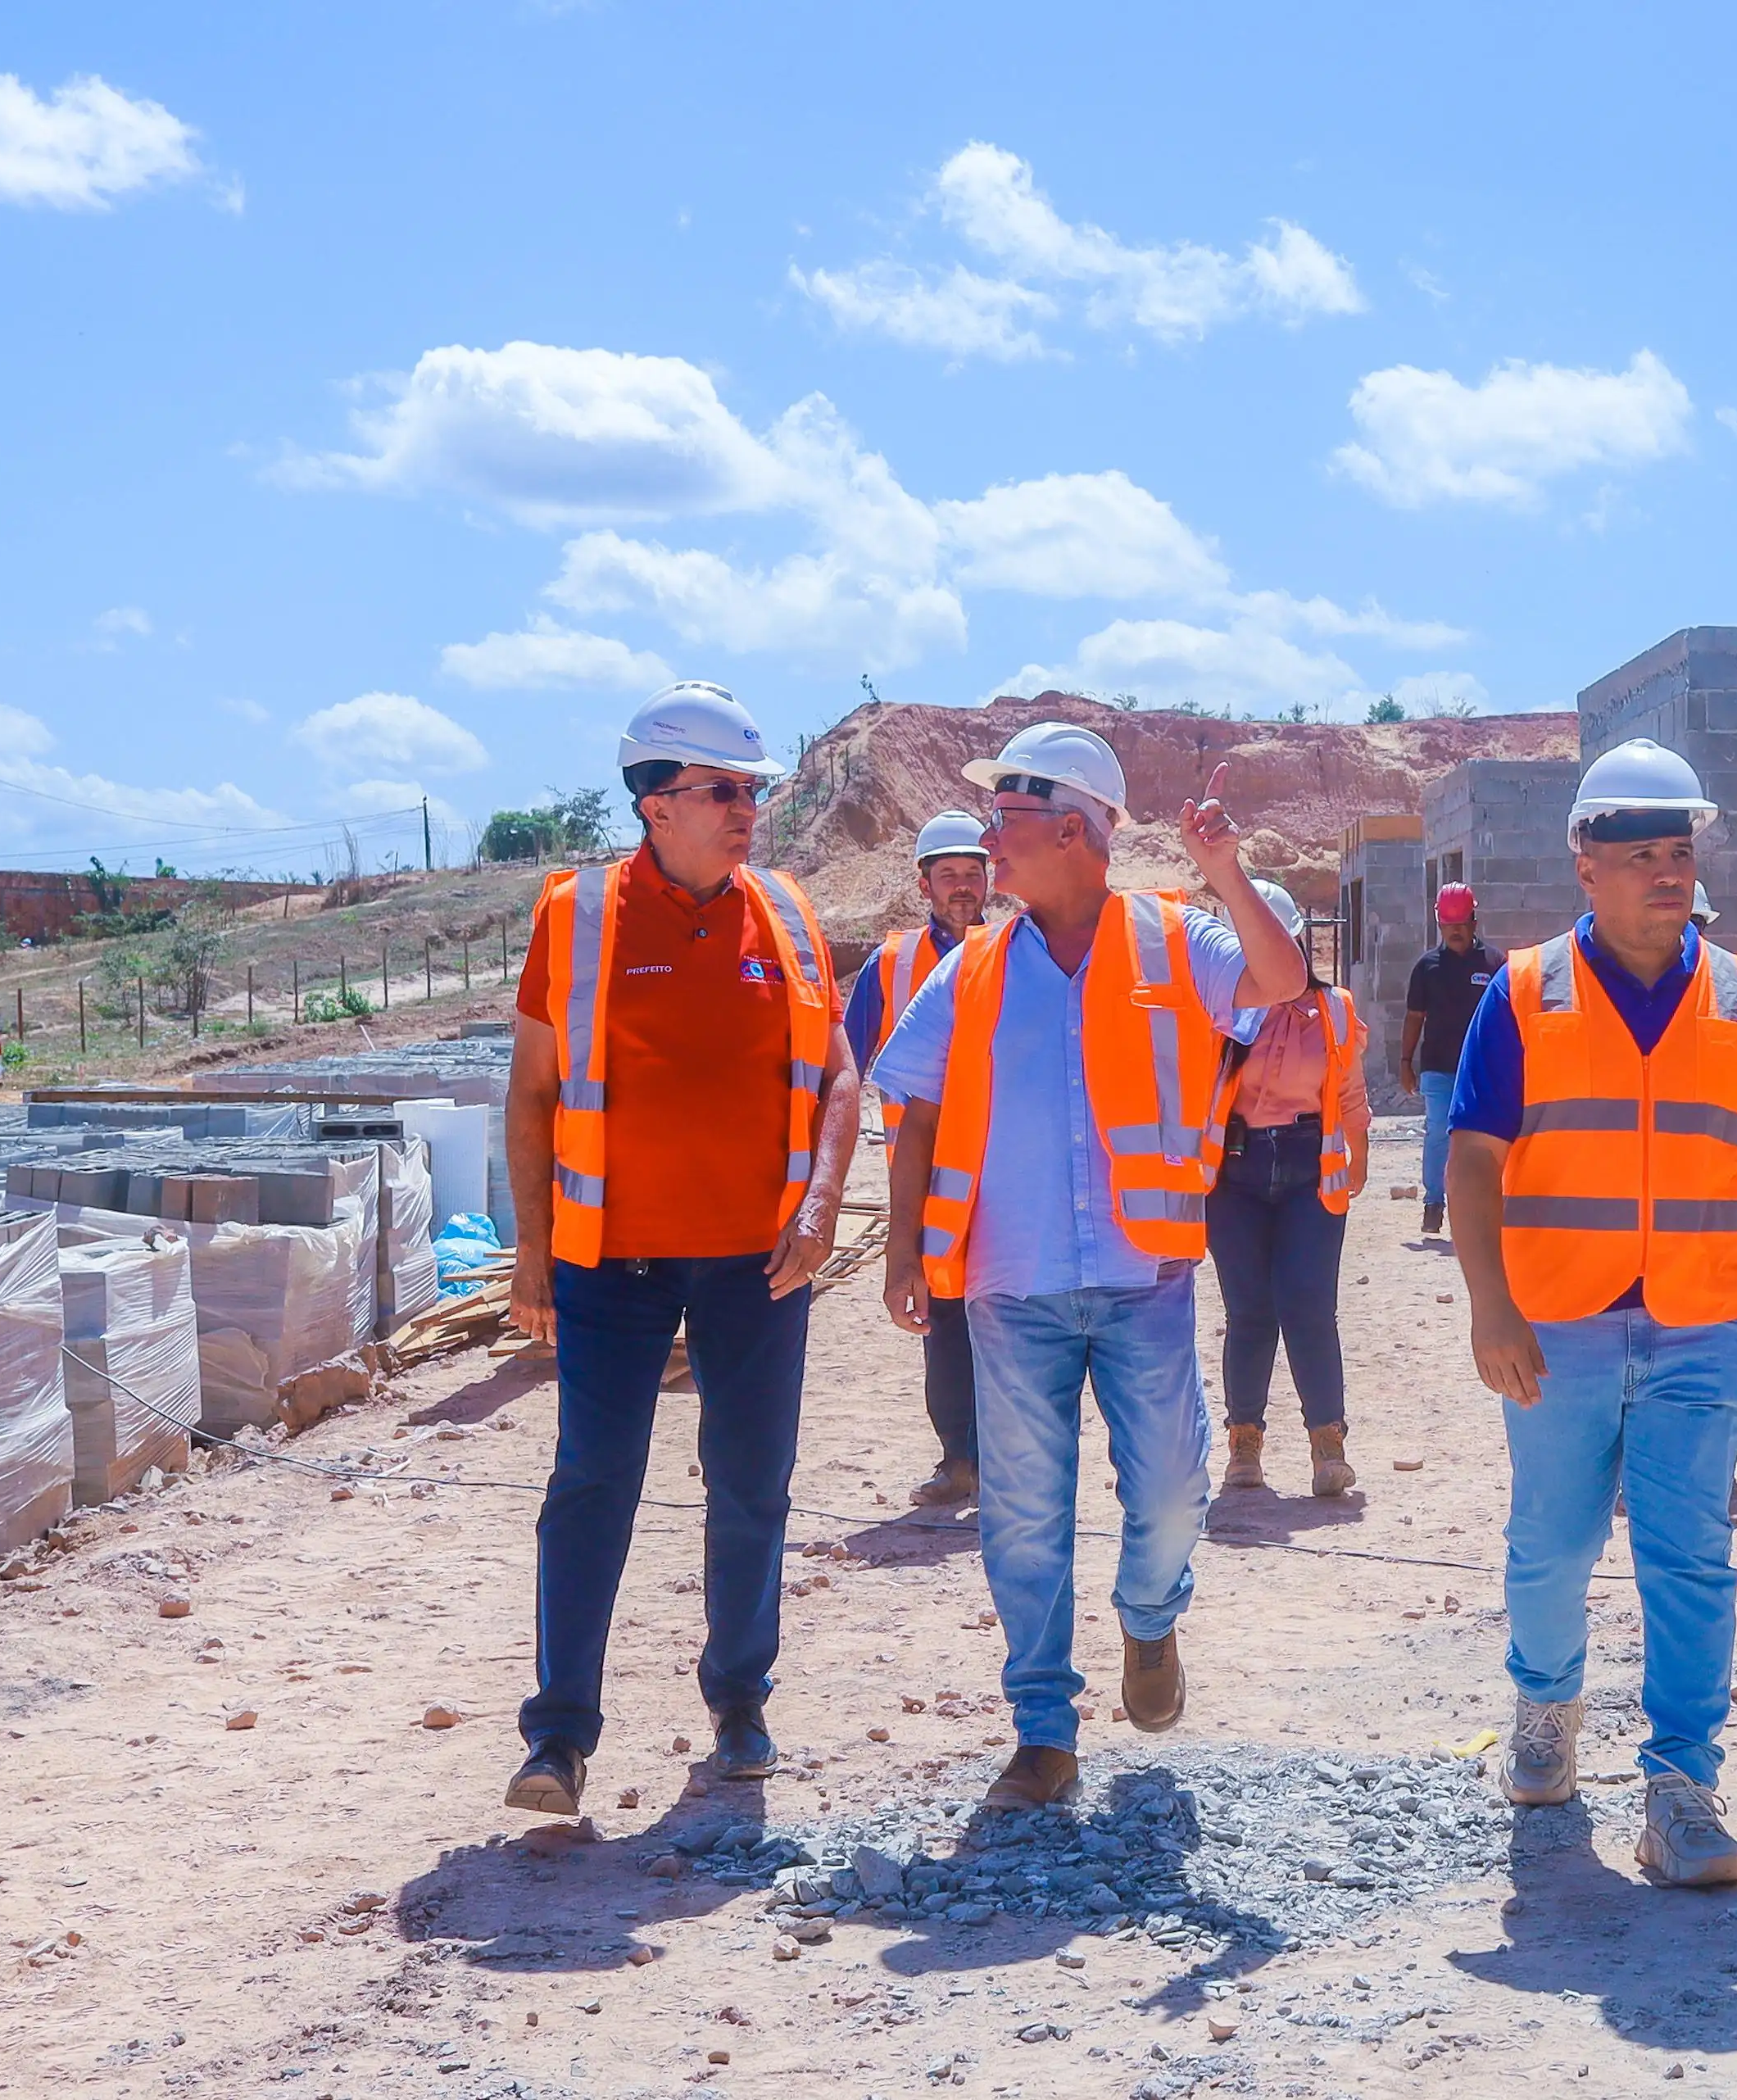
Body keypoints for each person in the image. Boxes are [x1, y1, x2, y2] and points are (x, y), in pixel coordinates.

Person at [873, 722, 1310, 1811]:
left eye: (1005, 819)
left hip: (1143, 1274)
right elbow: (915, 1112)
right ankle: (1043, 1727)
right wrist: (902, 1245)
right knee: (1021, 1511)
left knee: (1169, 1488)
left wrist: (1223, 868)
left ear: (1073, 829)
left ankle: (1149, 1614)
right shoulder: (971, 968)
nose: (986, 843)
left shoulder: (1176, 940)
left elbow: (1280, 978)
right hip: (1008, 1286)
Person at [1444, 737, 1737, 1889]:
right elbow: (1473, 1161)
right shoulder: (1524, 991)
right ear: (1585, 863)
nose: (1667, 873)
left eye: (1680, 852)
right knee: (1553, 1544)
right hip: (1556, 1322)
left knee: (1691, 1557)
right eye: (1641, 854)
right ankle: (1546, 1708)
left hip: (1697, 1321)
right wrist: (1491, 1305)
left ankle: (1680, 1787)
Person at [501, 681, 858, 1816]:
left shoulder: (790, 912)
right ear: (656, 801)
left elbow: (840, 1075)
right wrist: (533, 1253)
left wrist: (820, 1208)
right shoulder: (578, 914)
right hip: (612, 1264)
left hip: (763, 1260)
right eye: (720, 790)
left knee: (751, 1484)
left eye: (751, 788)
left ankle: (740, 1702)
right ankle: (558, 1738)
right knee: (592, 1483)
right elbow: (533, 1093)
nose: (745, 809)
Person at [842, 810, 994, 1509]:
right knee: (943, 1315)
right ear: (924, 883)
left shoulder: (1014, 947)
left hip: (1002, 1164)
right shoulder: (893, 964)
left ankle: (1006, 1461)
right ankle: (959, 1458)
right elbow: (844, 1063)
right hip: (927, 1172)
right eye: (949, 876)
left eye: (973, 874)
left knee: (1013, 1312)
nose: (962, 888)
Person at [1209, 878, 1372, 1499]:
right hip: (1235, 1172)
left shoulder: (1332, 1009)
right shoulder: (1219, 1012)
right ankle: (1243, 1442)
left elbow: (1350, 1093)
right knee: (1249, 1311)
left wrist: (1356, 1158)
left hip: (1310, 1169)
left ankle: (1327, 1444)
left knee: (1307, 1305)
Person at [1399, 884, 1503, 1240]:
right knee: (1439, 1133)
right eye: (1448, 925)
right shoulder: (1426, 967)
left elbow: (1508, 1017)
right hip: (1439, 1066)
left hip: (1483, 1068)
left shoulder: (1495, 964)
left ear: (1474, 920)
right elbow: (1415, 1017)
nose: (1455, 931)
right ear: (1439, 925)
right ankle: (1433, 1202)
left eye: (1461, 923)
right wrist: (1405, 1062)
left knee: (1485, 1136)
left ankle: (1482, 1206)